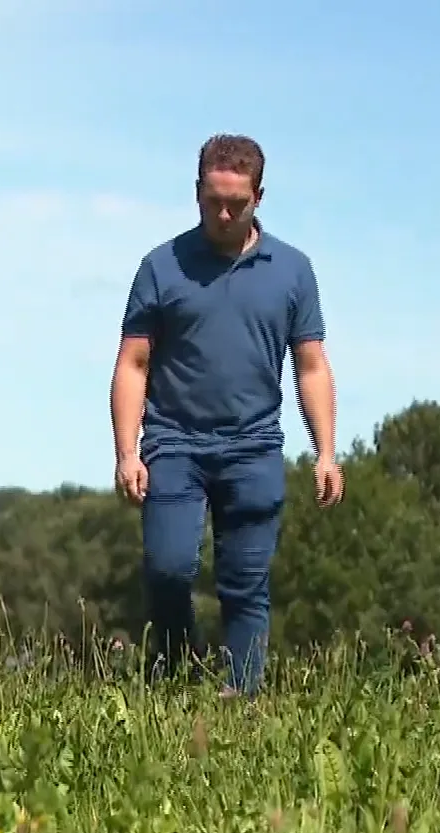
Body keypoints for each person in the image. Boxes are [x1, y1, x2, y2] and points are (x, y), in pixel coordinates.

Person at [109, 133, 343, 698]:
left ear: (259, 196)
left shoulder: (292, 270)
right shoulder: (162, 267)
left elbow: (310, 366)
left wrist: (327, 451)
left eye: (236, 202)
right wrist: (127, 450)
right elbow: (133, 362)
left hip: (254, 445)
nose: (223, 212)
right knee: (168, 569)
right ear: (196, 192)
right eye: (212, 200)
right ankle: (176, 678)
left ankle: (241, 700)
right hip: (174, 443)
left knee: (245, 583)